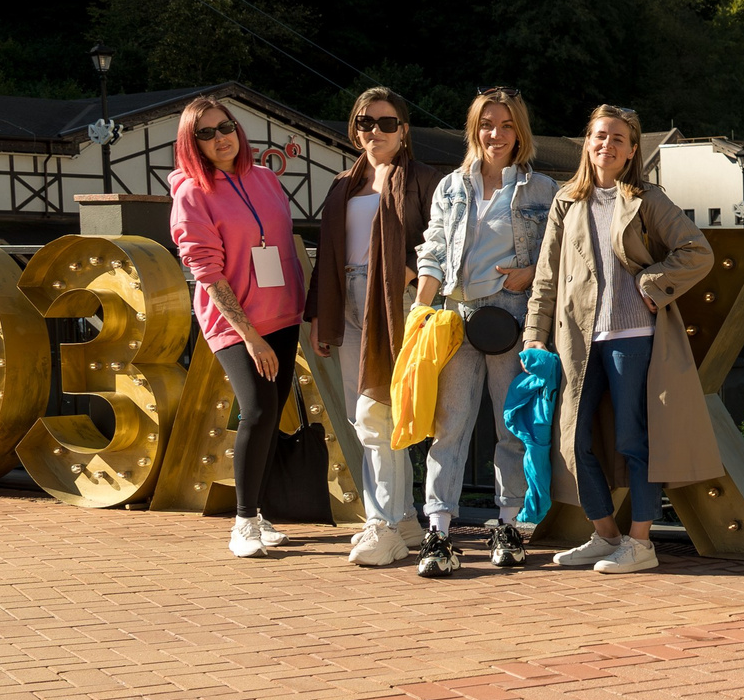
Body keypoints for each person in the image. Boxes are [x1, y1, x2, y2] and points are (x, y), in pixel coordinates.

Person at [525, 103, 721, 575]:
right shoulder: (566, 202)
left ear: (632, 150)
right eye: (599, 136)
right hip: (577, 339)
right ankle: (605, 535)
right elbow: (546, 277)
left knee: (634, 439)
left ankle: (641, 543)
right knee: (575, 441)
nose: (606, 145)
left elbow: (697, 251)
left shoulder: (648, 199)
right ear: (586, 144)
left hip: (633, 337)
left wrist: (652, 283)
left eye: (617, 138)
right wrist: (534, 334)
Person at [411, 87, 558, 578]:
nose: (497, 134)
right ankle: (438, 531)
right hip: (457, 315)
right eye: (487, 124)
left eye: (507, 125)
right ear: (474, 129)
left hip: (513, 318)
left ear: (521, 133)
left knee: (509, 426)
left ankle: (508, 524)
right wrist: (420, 310)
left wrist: (531, 270)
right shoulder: (452, 186)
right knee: (448, 427)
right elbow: (432, 250)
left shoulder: (543, 190)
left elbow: (560, 259)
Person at [168, 94, 308, 560]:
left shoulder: (265, 178)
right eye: (204, 133)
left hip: (283, 315)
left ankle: (260, 513)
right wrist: (249, 336)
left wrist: (302, 308)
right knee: (258, 411)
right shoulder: (191, 192)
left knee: (273, 414)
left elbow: (286, 245)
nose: (219, 138)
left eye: (224, 127)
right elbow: (206, 272)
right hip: (235, 324)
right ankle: (243, 521)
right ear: (192, 143)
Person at [307, 86, 436, 565]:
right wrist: (320, 311)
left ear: (404, 129)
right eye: (366, 122)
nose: (375, 131)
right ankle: (402, 519)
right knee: (370, 419)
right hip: (346, 299)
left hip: (394, 300)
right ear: (354, 129)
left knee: (377, 414)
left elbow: (440, 240)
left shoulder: (422, 178)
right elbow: (327, 251)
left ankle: (381, 524)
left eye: (386, 123)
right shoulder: (344, 183)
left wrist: (405, 273)